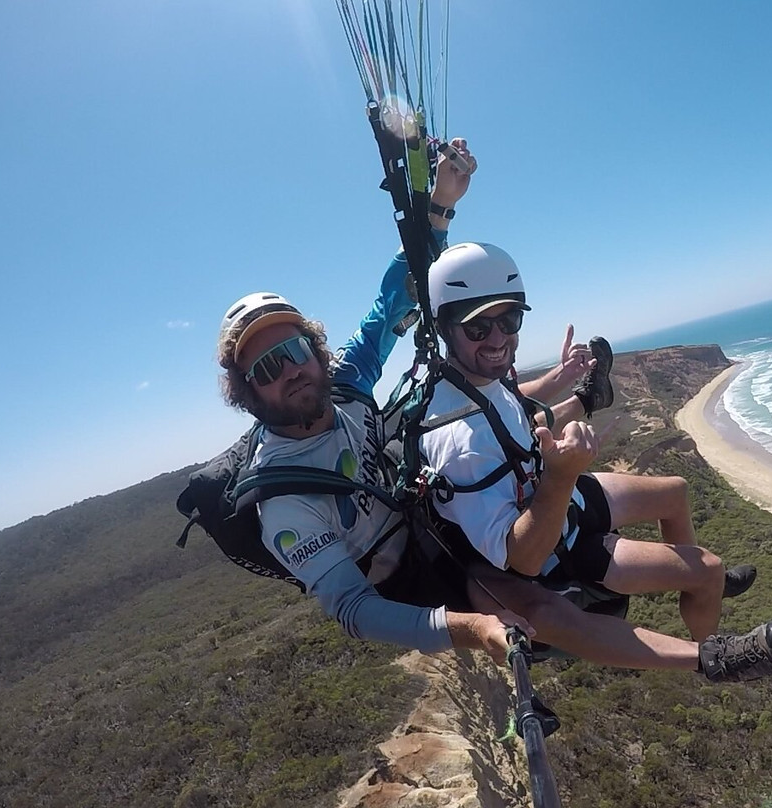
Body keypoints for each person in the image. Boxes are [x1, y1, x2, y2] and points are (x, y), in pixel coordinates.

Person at [215, 140, 533, 664]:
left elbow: (393, 303)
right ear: (247, 395)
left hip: (430, 519)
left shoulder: (342, 383)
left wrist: (439, 207)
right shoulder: (283, 502)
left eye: (294, 350)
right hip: (410, 582)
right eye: (267, 369)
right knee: (533, 595)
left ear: (316, 352)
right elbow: (354, 609)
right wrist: (471, 628)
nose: (290, 370)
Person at [419, 242, 772, 681]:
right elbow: (523, 558)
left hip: (549, 490)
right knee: (708, 569)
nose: (499, 338)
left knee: (675, 491)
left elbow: (510, 407)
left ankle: (699, 585)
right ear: (445, 328)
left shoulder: (469, 379)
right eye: (479, 328)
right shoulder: (457, 441)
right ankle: (710, 655)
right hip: (553, 539)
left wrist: (566, 384)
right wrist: (562, 473)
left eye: (509, 319)